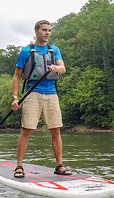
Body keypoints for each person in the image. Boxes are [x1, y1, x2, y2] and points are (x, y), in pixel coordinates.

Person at [11, 20, 70, 178]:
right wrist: (15, 98)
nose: (47, 33)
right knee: (27, 130)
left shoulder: (54, 50)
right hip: (32, 94)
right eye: (44, 30)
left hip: (51, 94)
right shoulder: (26, 51)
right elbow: (17, 76)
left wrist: (56, 68)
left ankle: (59, 165)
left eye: (49, 30)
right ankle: (19, 166)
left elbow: (63, 69)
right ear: (36, 31)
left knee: (56, 130)